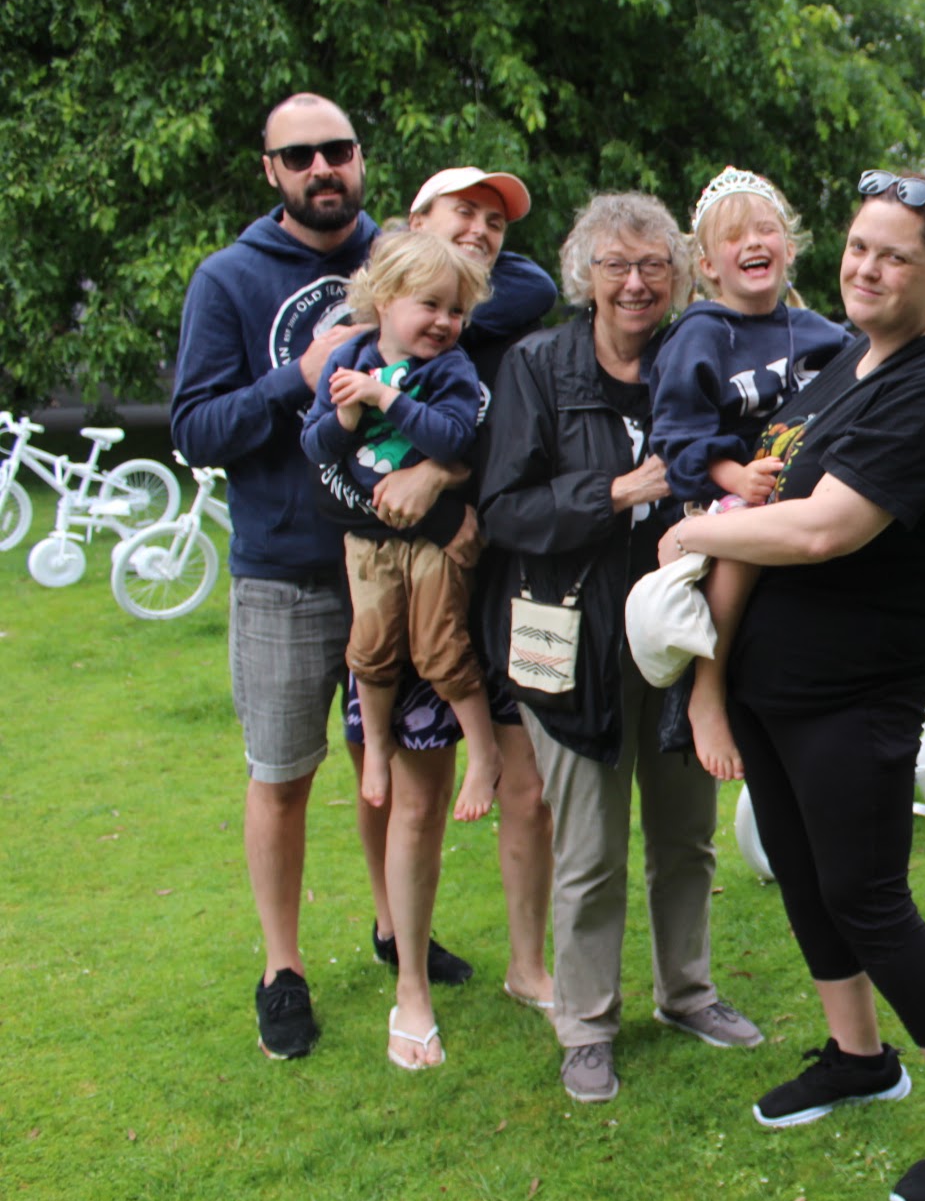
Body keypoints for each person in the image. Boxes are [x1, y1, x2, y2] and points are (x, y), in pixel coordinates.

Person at [658, 171, 925, 1201]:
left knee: (869, 900)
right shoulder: (841, 366)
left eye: (896, 254)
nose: (867, 268)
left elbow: (824, 526)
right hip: (775, 682)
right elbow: (784, 495)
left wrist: (690, 528)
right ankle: (857, 1054)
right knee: (810, 882)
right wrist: (715, 683)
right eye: (859, 248)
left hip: (853, 690)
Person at [170, 93, 469, 1068]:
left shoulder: (406, 260)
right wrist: (298, 376)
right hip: (287, 568)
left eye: (336, 149)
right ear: (270, 170)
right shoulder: (229, 279)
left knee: (383, 770)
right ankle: (282, 966)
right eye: (298, 156)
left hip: (400, 562)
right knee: (284, 772)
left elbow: (500, 300)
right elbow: (196, 431)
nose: (321, 167)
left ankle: (395, 930)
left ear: (359, 155)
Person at [478, 192, 763, 1105]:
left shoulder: (704, 355)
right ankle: (588, 1027)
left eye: (654, 267)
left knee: (685, 837)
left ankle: (687, 993)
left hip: (681, 642)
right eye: (616, 266)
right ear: (586, 276)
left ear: (680, 277)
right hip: (574, 640)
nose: (636, 285)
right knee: (590, 851)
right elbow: (505, 511)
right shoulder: (536, 367)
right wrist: (610, 492)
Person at [648, 167, 848, 780]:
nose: (754, 243)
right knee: (744, 538)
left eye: (767, 230)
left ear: (790, 247)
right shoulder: (700, 335)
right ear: (708, 264)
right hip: (730, 502)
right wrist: (734, 477)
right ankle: (705, 692)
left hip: (813, 497)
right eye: (735, 236)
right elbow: (675, 437)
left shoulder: (825, 334)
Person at [300, 230, 502, 822]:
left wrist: (386, 401)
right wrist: (345, 412)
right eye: (430, 305)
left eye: (456, 310)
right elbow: (314, 447)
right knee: (369, 648)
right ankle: (380, 748)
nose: (444, 322)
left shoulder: (450, 371)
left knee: (441, 648)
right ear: (384, 299)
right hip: (368, 541)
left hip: (433, 544)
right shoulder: (348, 360)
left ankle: (484, 755)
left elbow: (453, 436)